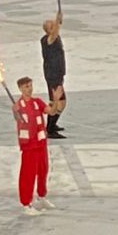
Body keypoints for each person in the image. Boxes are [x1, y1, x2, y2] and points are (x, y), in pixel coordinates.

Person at [12, 76, 53, 216]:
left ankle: (41, 197)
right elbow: (17, 119)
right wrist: (15, 111)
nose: (29, 89)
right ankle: (26, 203)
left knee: (43, 170)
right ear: (20, 89)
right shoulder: (18, 106)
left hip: (41, 143)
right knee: (28, 174)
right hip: (29, 146)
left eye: (30, 85)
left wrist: (56, 101)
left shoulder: (38, 102)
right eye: (26, 87)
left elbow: (51, 111)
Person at [40, 11, 67, 139]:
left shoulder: (54, 37)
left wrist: (58, 20)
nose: (55, 28)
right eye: (52, 26)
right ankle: (50, 129)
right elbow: (56, 31)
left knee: (57, 101)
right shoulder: (49, 39)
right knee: (59, 102)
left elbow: (57, 29)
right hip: (53, 75)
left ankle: (51, 125)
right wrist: (57, 18)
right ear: (48, 30)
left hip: (56, 74)